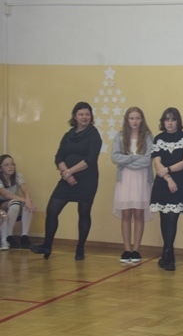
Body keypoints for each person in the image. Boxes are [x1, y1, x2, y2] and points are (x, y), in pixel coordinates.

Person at [30, 102, 103, 260]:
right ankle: (47, 245)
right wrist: (66, 174)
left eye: (87, 114)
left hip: (87, 180)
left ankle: (80, 248)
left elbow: (90, 159)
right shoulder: (68, 135)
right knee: (52, 210)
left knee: (84, 213)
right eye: (81, 114)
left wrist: (70, 171)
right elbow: (59, 157)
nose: (84, 117)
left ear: (91, 117)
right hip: (67, 178)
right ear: (75, 116)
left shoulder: (94, 134)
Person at [150, 107, 183, 271]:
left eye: (173, 119)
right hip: (162, 182)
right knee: (164, 218)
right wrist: (167, 178)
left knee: (172, 218)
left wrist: (168, 171)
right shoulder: (158, 138)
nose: (170, 123)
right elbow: (157, 162)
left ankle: (168, 253)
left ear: (178, 121)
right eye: (167, 119)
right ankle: (167, 254)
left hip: (180, 181)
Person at [111, 107, 154, 264]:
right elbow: (115, 157)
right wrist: (134, 158)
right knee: (126, 214)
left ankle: (136, 249)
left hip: (141, 179)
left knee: (139, 214)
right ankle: (127, 249)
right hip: (125, 179)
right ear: (127, 120)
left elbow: (148, 159)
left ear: (142, 120)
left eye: (137, 118)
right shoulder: (120, 136)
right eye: (131, 118)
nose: (135, 121)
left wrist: (127, 160)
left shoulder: (148, 137)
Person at [0, 154, 37, 249]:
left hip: (13, 200)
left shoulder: (17, 175)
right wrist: (26, 200)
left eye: (12, 164)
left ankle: (24, 236)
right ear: (1, 168)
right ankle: (8, 235)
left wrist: (27, 201)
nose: (10, 167)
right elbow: (6, 195)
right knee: (16, 204)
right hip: (2, 203)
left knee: (25, 204)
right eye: (6, 165)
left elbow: (25, 190)